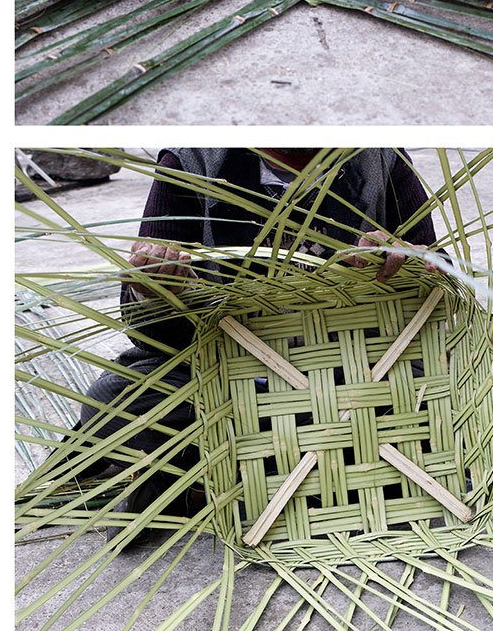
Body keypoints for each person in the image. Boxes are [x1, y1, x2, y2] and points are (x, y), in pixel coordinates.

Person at [76, 148, 437, 535]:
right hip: (234, 377)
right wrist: (158, 290)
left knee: (430, 390)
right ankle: (334, 469)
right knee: (112, 404)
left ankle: (214, 477)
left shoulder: (380, 159)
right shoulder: (192, 163)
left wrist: (412, 266)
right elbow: (149, 335)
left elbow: (438, 283)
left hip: (357, 371)